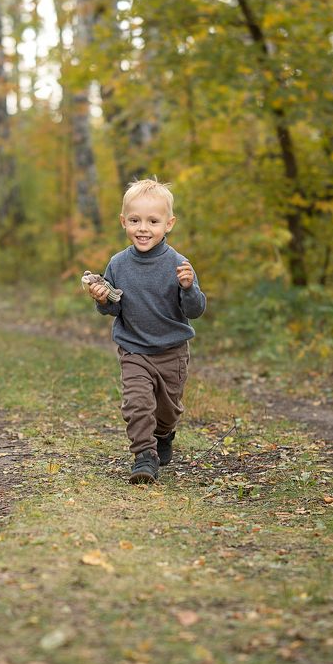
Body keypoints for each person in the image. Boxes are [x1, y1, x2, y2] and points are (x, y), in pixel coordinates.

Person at [85, 178, 206, 484]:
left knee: (167, 409)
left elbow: (195, 310)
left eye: (153, 221)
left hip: (172, 350)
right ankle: (144, 457)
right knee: (137, 403)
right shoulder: (118, 264)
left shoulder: (179, 265)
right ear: (123, 221)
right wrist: (103, 299)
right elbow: (114, 307)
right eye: (135, 220)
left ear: (169, 224)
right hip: (134, 348)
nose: (143, 228)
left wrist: (189, 288)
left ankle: (164, 433)